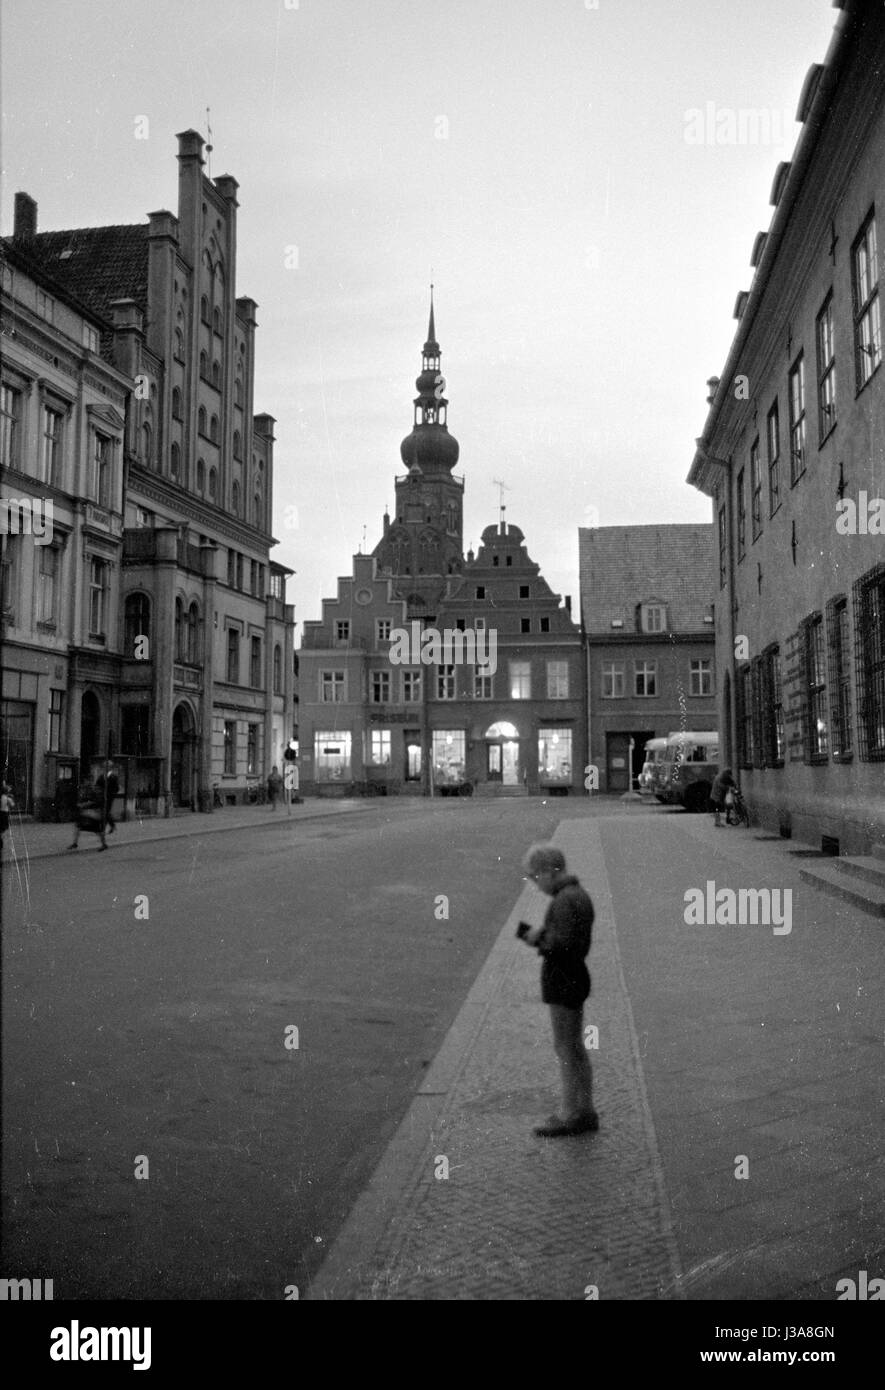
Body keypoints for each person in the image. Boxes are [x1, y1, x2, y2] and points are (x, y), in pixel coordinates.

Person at [518, 843, 598, 1138]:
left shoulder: (564, 900)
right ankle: (585, 1109)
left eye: (535, 877)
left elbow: (561, 944)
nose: (535, 885)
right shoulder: (577, 894)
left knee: (565, 1047)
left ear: (550, 872)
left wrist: (538, 938)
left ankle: (569, 1113)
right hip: (574, 977)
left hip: (563, 979)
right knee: (575, 1046)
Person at [68, 779, 108, 851]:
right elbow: (90, 801)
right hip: (88, 814)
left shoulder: (100, 795)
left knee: (97, 830)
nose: (96, 788)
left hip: (94, 814)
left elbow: (94, 803)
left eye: (97, 788)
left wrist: (84, 805)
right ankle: (75, 843)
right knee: (78, 826)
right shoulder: (94, 793)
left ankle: (104, 844)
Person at [97, 764, 120, 834]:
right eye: (104, 767)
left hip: (109, 798)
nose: (105, 768)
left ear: (110, 768)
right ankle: (112, 826)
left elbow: (117, 788)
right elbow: (97, 785)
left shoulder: (113, 777)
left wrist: (111, 795)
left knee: (105, 812)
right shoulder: (101, 776)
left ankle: (103, 829)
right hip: (102, 797)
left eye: (107, 767)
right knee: (104, 813)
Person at [1, 782, 15, 850]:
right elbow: (12, 805)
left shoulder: (1, 797)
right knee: (4, 828)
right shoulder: (7, 798)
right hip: (4, 813)